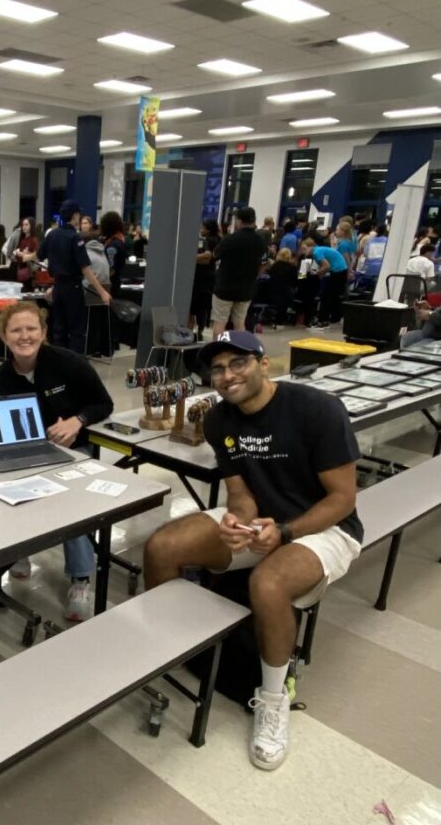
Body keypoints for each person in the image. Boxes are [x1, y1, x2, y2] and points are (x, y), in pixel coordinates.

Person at [144, 330, 362, 771]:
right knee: (162, 546)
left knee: (268, 583)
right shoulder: (221, 421)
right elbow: (240, 493)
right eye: (218, 368)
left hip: (326, 528)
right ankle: (181, 649)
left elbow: (343, 499)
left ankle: (272, 699)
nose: (227, 375)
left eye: (238, 363)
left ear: (265, 365)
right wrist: (234, 519)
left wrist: (285, 532)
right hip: (264, 523)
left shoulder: (317, 411)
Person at [0, 302, 113, 620]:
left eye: (31, 328)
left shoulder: (69, 363)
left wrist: (78, 420)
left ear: (44, 332)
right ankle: (20, 552)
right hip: (28, 457)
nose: (25, 336)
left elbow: (104, 402)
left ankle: (80, 577)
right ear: (4, 336)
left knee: (69, 504)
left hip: (75, 454)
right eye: (16, 329)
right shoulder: (0, 378)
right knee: (7, 493)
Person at [37, 200, 111, 354]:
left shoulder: (52, 235)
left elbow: (38, 255)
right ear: (75, 215)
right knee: (76, 331)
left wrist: (24, 257)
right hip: (73, 288)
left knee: (58, 329)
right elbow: (85, 268)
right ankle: (74, 365)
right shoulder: (75, 238)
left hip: (58, 288)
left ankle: (60, 363)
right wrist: (102, 291)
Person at [210, 207, 267, 338]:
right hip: (246, 288)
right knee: (240, 323)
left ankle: (217, 352)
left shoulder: (230, 239)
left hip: (224, 287)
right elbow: (266, 261)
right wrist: (256, 274)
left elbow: (215, 254)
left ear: (240, 221)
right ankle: (239, 352)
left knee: (220, 322)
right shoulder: (260, 241)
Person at [299, 237, 348, 326]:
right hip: (340, 269)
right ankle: (334, 318)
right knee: (334, 295)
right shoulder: (316, 252)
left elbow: (325, 267)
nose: (303, 251)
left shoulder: (314, 254)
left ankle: (323, 319)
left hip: (336, 271)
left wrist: (318, 274)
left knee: (327, 296)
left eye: (304, 249)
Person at [190, 219, 221, 339]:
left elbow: (207, 257)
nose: (201, 230)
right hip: (210, 278)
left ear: (208, 230)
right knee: (203, 308)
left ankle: (191, 330)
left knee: (194, 307)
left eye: (202, 228)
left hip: (200, 278)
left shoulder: (207, 240)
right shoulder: (218, 240)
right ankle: (200, 331)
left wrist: (190, 256)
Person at [11, 216, 38, 290]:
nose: (24, 227)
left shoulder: (33, 240)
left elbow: (36, 255)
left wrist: (25, 254)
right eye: (23, 225)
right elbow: (18, 255)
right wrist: (17, 253)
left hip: (29, 272)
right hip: (20, 270)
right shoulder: (22, 239)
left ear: (31, 226)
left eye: (26, 225)